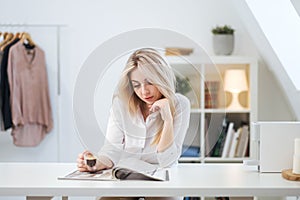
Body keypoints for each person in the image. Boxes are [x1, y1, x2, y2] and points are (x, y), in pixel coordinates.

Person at [77, 48, 191, 200]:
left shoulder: (180, 104)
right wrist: (97, 163)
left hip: (162, 178)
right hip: (127, 176)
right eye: (136, 85)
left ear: (161, 78)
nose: (144, 91)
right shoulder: (121, 104)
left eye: (149, 82)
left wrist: (168, 120)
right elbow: (112, 148)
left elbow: (167, 161)